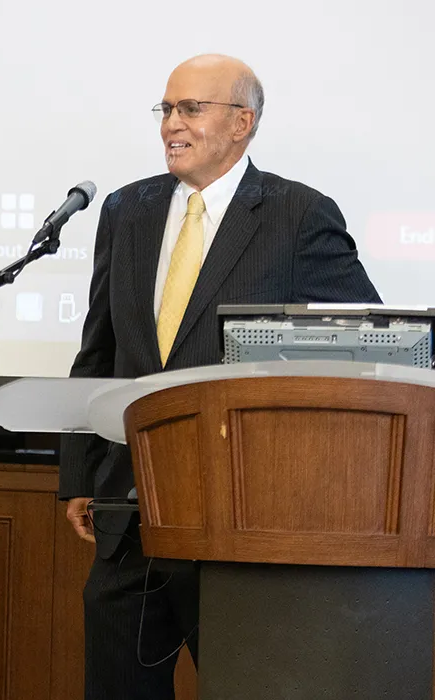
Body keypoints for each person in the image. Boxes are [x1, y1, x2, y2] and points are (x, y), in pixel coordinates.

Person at [59, 54, 380, 699]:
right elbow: (99, 351)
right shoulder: (127, 209)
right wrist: (77, 476)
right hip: (130, 512)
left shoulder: (299, 215)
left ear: (242, 122)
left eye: (190, 109)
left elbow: (372, 349)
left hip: (239, 519)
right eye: (167, 109)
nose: (171, 124)